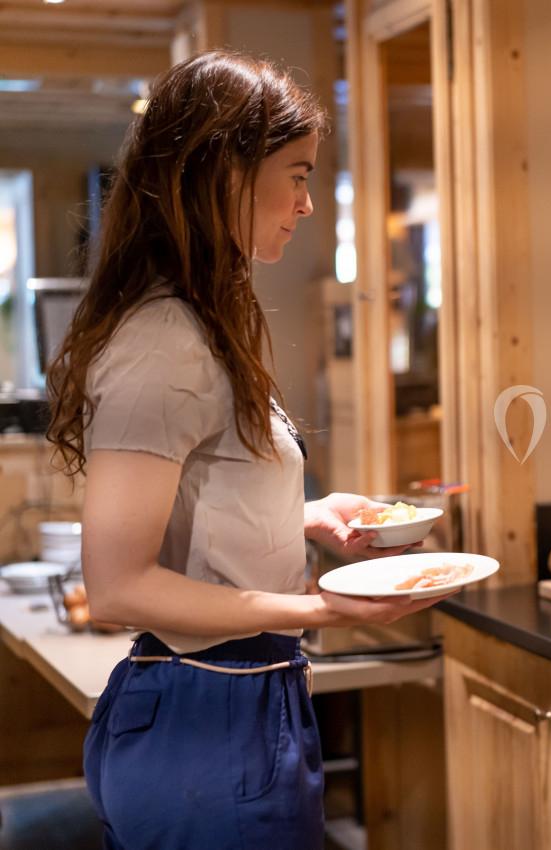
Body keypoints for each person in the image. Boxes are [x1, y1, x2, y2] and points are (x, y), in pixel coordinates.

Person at [44, 50, 446, 849]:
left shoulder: (200, 323)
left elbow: (204, 504)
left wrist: (309, 516)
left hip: (240, 703)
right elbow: (118, 585)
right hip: (206, 718)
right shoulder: (165, 341)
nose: (305, 204)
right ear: (221, 170)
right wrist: (325, 607)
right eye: (295, 175)